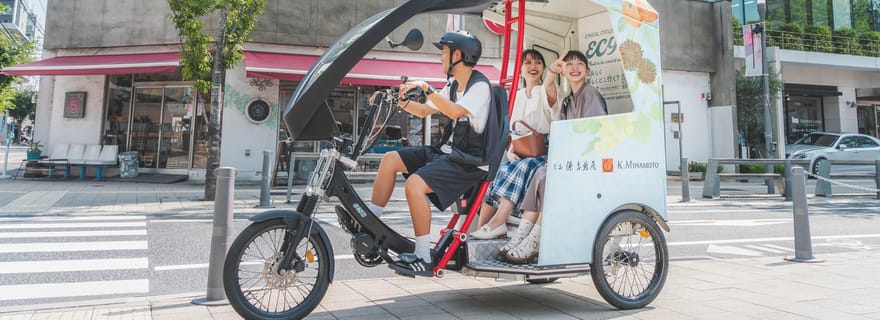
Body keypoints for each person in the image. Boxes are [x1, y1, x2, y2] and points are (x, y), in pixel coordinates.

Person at [366, 30, 493, 277]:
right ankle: (371, 220)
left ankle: (423, 257)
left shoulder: (480, 87)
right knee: (390, 159)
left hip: (468, 163)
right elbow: (425, 110)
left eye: (443, 52)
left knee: (414, 185)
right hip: (446, 153)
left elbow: (455, 112)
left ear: (458, 54)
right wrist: (395, 100)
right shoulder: (454, 85)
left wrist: (426, 87)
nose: (440, 58)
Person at [503, 50, 608, 263]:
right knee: (540, 173)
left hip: (587, 164)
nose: (575, 68)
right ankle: (523, 234)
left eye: (580, 64)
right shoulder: (569, 100)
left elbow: (595, 134)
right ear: (564, 71)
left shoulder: (590, 94)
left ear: (587, 71)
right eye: (569, 65)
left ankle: (535, 238)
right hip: (571, 160)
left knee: (550, 176)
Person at [470, 50, 552, 249]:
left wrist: (552, 75)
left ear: (543, 68)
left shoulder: (545, 91)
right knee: (498, 171)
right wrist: (510, 150)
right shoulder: (516, 94)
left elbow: (551, 95)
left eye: (538, 62)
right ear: (521, 68)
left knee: (520, 168)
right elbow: (510, 129)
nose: (533, 66)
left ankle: (499, 221)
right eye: (528, 62)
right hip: (520, 148)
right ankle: (483, 229)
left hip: (543, 150)